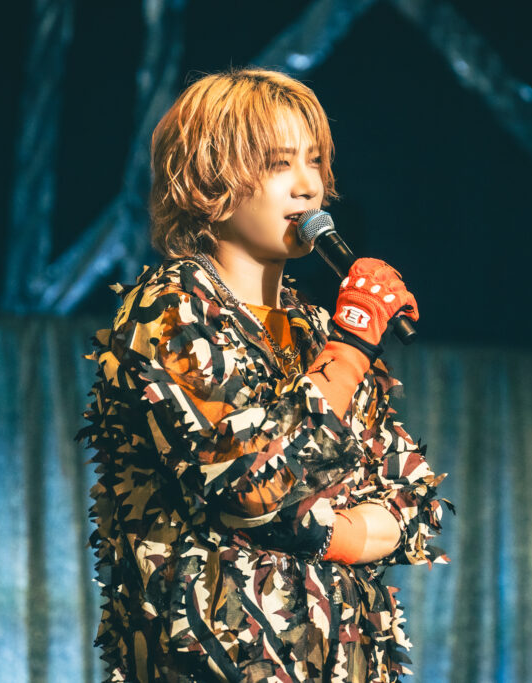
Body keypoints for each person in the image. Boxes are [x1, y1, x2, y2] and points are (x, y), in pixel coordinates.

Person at [77, 66, 455, 683]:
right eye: (280, 164)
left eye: (315, 161)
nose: (308, 186)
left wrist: (323, 532)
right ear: (210, 180)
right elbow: (248, 482)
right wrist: (352, 347)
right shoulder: (170, 310)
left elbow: (411, 498)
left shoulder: (317, 330)